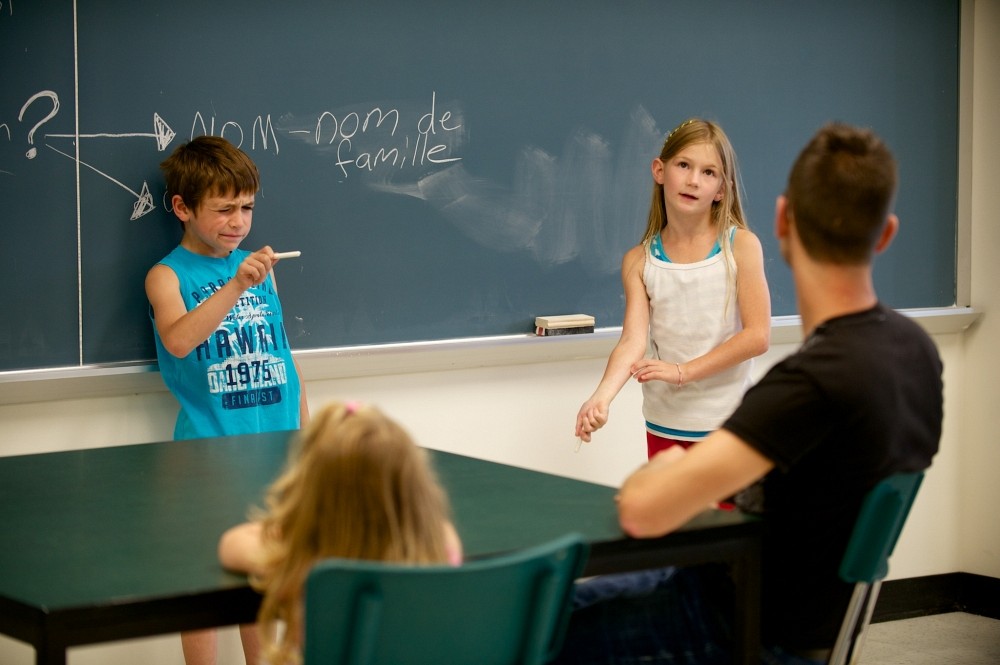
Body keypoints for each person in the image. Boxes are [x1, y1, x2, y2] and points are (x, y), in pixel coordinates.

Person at [551, 123, 943, 664]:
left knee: (537, 623)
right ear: (886, 234)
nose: (694, 180)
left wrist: (667, 465)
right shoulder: (916, 353)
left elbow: (642, 509)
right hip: (815, 622)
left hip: (742, 624)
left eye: (708, 170)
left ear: (782, 222)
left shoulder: (806, 387)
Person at [146, 135, 310, 665]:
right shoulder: (167, 275)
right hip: (208, 457)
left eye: (247, 208)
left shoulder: (260, 271)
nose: (238, 222)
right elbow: (178, 338)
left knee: (272, 587)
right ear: (182, 207)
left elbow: (284, 355)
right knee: (209, 587)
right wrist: (237, 285)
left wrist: (304, 439)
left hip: (275, 450)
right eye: (223, 209)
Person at [575, 118, 771, 460]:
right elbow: (632, 342)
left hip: (729, 428)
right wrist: (601, 398)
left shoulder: (741, 246)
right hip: (665, 426)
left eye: (709, 173)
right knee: (671, 516)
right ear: (659, 170)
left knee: (725, 517)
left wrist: (683, 372)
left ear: (722, 190)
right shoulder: (639, 260)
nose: (694, 180)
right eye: (683, 165)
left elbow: (757, 336)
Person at [219, 401, 463, 665]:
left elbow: (231, 545)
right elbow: (432, 525)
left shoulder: (306, 566)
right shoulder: (442, 546)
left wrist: (295, 523)